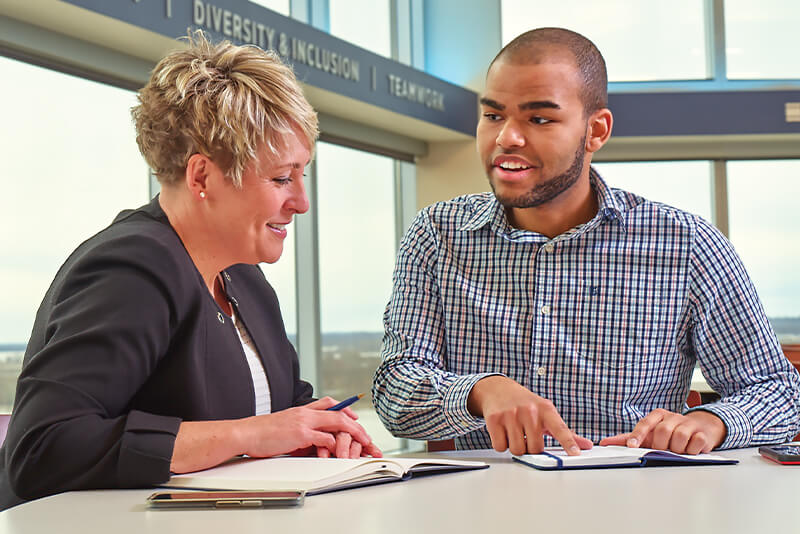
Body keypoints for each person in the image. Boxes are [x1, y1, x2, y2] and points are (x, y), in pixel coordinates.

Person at [372, 27, 800, 457]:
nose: (507, 138)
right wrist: (480, 391)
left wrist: (713, 422)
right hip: (480, 507)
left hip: (637, 505)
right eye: (494, 115)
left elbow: (779, 393)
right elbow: (394, 393)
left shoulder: (687, 244)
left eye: (539, 119)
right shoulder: (436, 234)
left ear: (596, 131)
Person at [0, 31, 380, 511]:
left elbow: (282, 407)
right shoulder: (130, 268)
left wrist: (319, 432)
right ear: (202, 176)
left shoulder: (245, 279)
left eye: (302, 175)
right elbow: (43, 448)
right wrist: (250, 434)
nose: (300, 203)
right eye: (282, 178)